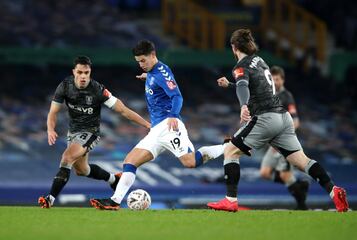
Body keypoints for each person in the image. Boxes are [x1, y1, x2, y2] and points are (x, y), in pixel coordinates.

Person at [207, 29, 349, 212]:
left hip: (266, 118)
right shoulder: (262, 61)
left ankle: (230, 200)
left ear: (234, 47)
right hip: (283, 119)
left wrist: (243, 105)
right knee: (302, 161)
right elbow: (256, 88)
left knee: (230, 151)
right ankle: (333, 190)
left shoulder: (240, 66)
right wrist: (230, 85)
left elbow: (243, 86)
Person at [90, 40, 226, 210]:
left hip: (169, 127)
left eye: (143, 60)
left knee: (189, 162)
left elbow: (177, 96)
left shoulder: (161, 72)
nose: (141, 65)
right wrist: (148, 77)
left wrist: (173, 116)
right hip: (156, 131)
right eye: (138, 61)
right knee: (130, 161)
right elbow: (156, 79)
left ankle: (227, 147)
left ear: (153, 55)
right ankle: (115, 201)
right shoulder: (153, 73)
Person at [38, 56, 151, 208]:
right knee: (82, 170)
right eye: (80, 72)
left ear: (90, 72)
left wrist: (147, 124)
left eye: (86, 72)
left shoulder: (98, 90)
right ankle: (114, 179)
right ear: (74, 72)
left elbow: (123, 110)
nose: (83, 76)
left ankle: (50, 198)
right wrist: (50, 129)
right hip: (73, 132)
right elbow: (53, 112)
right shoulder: (65, 86)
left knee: (67, 157)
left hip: (90, 132)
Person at [217, 66, 309, 210]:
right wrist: (229, 84)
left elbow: (295, 121)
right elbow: (245, 89)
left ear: (283, 80)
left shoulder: (286, 96)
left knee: (285, 175)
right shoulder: (267, 94)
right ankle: (299, 186)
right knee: (265, 173)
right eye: (273, 79)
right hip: (270, 141)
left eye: (277, 79)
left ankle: (302, 205)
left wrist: (281, 137)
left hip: (282, 141)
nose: (275, 82)